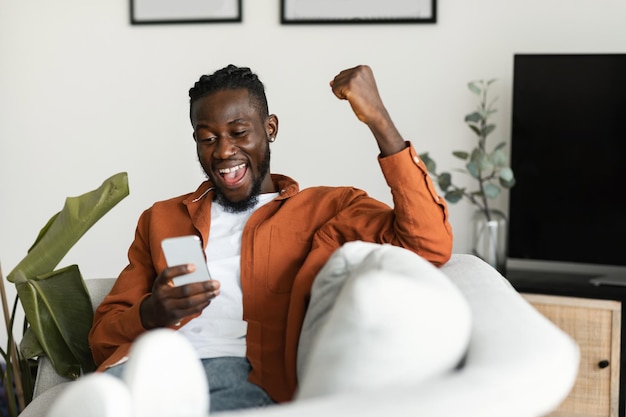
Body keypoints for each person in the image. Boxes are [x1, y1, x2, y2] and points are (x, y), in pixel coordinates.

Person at [88, 64, 453, 413]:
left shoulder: (327, 208)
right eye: (207, 138)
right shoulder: (162, 219)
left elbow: (429, 242)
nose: (223, 151)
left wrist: (379, 120)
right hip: (147, 369)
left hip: (241, 377)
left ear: (271, 128)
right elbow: (102, 336)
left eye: (239, 132)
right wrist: (152, 312)